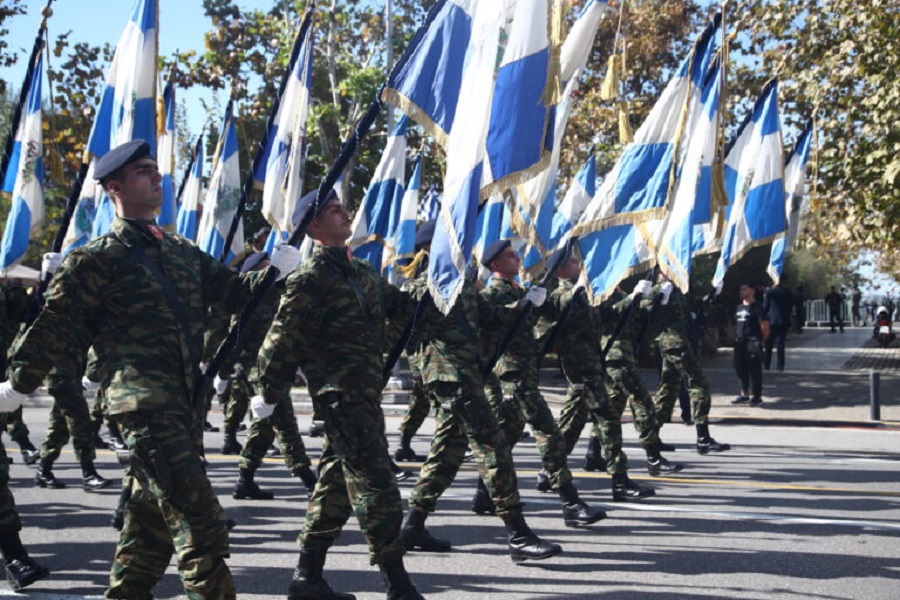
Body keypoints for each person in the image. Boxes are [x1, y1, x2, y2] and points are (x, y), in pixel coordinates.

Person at [2, 139, 302, 599]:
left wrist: (276, 274)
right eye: (143, 171)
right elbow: (52, 324)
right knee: (200, 525)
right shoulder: (95, 258)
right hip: (141, 405)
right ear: (114, 187)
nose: (155, 176)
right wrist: (17, 386)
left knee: (147, 533)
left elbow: (236, 294)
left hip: (183, 403)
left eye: (156, 169)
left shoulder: (180, 251)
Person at [253, 189, 425, 600]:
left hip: (365, 396)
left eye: (343, 207)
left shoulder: (361, 272)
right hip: (339, 399)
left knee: (333, 487)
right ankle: (397, 584)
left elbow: (404, 309)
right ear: (313, 227)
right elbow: (280, 342)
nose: (345, 213)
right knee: (378, 487)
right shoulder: (311, 278)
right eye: (333, 211)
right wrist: (270, 391)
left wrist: (439, 282)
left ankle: (307, 577)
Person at [401, 265, 562, 564]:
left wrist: (527, 304)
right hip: (451, 379)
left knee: (447, 454)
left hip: (468, 376)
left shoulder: (464, 288)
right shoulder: (426, 286)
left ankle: (413, 525)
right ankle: (518, 534)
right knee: (494, 448)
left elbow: (494, 316)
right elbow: (401, 320)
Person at [478, 240, 608, 516]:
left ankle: (483, 493)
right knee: (549, 434)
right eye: (511, 256)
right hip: (512, 378)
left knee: (503, 441)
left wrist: (574, 289)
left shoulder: (520, 290)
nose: (517, 259)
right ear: (496, 265)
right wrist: (522, 305)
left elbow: (554, 308)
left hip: (525, 374)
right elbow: (491, 320)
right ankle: (570, 501)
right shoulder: (491, 295)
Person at [646, 273, 730, 454]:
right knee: (700, 386)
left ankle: (652, 437)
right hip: (672, 343)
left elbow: (698, 306)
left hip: (680, 341)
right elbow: (642, 309)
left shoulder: (678, 289)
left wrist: (713, 291)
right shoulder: (657, 289)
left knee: (668, 391)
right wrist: (658, 295)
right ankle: (703, 438)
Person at [731, 282, 769, 406]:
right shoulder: (738, 307)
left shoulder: (758, 307)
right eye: (741, 289)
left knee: (754, 369)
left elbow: (764, 326)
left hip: (752, 341)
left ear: (752, 291)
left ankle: (757, 396)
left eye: (744, 289)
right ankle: (744, 393)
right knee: (740, 368)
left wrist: (761, 340)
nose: (742, 291)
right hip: (739, 342)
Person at [762, 276, 792, 371]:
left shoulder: (770, 292)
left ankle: (767, 364)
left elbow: (765, 306)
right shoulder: (788, 292)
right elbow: (790, 306)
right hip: (783, 321)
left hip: (771, 320)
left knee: (768, 344)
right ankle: (780, 365)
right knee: (781, 344)